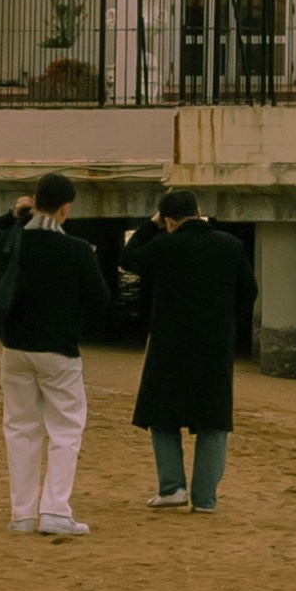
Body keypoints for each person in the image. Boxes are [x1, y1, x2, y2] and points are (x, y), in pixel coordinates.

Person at [0, 171, 103, 541]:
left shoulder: (12, 243)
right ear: (66, 208)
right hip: (59, 349)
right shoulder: (78, 250)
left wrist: (13, 213)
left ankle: (21, 514)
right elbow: (100, 300)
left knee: (20, 428)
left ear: (34, 200)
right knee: (66, 429)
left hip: (16, 347)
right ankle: (54, 510)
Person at [122, 189, 252, 513]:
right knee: (213, 421)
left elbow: (129, 258)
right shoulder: (230, 245)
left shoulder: (164, 245)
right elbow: (249, 291)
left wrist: (152, 225)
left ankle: (172, 488)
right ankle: (205, 499)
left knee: (162, 415)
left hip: (170, 342)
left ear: (168, 220)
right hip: (215, 344)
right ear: (200, 210)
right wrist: (227, 321)